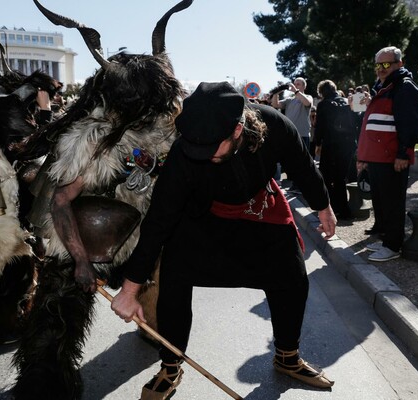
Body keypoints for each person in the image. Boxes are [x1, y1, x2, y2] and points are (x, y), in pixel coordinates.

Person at [111, 82, 336, 399]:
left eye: (212, 147)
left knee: (293, 275)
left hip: (258, 211)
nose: (203, 155)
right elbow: (159, 220)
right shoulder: (186, 151)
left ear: (239, 129)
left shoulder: (275, 125)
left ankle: (288, 356)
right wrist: (130, 289)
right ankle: (171, 365)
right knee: (174, 271)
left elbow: (302, 166)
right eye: (196, 147)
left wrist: (323, 207)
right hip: (204, 217)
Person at [357, 46, 418, 262]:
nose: (381, 69)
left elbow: (411, 123)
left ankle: (394, 245)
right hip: (378, 158)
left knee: (393, 203)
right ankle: (387, 239)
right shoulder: (384, 86)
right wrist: (365, 157)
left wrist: (404, 153)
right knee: (382, 202)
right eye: (378, 65)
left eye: (386, 64)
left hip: (392, 158)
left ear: (399, 64)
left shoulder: (404, 87)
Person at [314, 80, 359, 220]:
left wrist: (317, 143)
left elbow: (319, 126)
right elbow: (358, 121)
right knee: (341, 177)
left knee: (327, 177)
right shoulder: (348, 101)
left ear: (321, 92)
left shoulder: (323, 105)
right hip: (348, 144)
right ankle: (344, 209)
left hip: (331, 144)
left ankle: (333, 208)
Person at [272, 77, 313, 192]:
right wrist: (276, 93)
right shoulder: (289, 100)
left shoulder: (307, 97)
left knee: (302, 162)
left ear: (304, 87)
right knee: (293, 162)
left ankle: (303, 186)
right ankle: (296, 185)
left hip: (303, 134)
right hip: (291, 135)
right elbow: (275, 105)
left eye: (298, 84)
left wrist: (296, 91)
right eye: (295, 84)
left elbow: (307, 102)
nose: (295, 86)